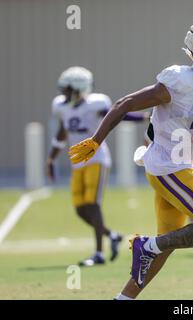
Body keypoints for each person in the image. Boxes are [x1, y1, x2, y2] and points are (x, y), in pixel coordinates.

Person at [68, 19, 193, 300]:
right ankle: (147, 245)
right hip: (168, 168)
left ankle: (124, 297)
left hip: (181, 166)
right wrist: (96, 139)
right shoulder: (179, 81)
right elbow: (125, 103)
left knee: (168, 241)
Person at [48, 66, 127, 266]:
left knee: (93, 204)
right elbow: (62, 133)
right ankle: (113, 235)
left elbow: (115, 115)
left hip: (96, 159)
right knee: (81, 210)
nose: (63, 93)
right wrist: (51, 159)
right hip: (78, 163)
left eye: (67, 89)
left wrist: (140, 117)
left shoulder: (95, 104)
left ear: (78, 88)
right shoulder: (62, 106)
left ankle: (99, 254)